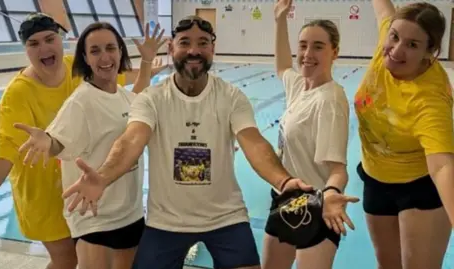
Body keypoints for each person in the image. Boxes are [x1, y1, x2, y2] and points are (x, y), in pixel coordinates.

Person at [58, 15, 313, 269]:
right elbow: (131, 140)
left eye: (202, 43)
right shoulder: (152, 98)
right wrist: (102, 177)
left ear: (213, 48)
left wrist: (284, 181)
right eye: (184, 43)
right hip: (166, 222)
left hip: (226, 217)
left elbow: (254, 143)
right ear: (171, 48)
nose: (194, 51)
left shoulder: (231, 96)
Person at [0, 13, 165, 269]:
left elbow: (118, 82)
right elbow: (6, 144)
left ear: (61, 41)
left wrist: (147, 65)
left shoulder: (76, 70)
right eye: (34, 44)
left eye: (49, 39)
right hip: (42, 191)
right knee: (66, 260)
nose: (44, 48)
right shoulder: (18, 94)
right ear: (26, 50)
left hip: (82, 185)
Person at [355, 1, 454, 268]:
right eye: (395, 37)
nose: (396, 51)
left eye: (412, 45)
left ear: (429, 52)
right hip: (376, 179)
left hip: (419, 187)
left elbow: (442, 165)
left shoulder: (429, 99)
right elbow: (383, 9)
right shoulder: (388, 37)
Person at [261, 1, 359, 268]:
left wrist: (330, 194)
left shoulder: (329, 99)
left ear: (334, 52)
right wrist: (280, 20)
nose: (307, 53)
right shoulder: (299, 85)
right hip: (284, 199)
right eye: (303, 45)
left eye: (318, 46)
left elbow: (338, 169)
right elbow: (282, 66)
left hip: (319, 206)